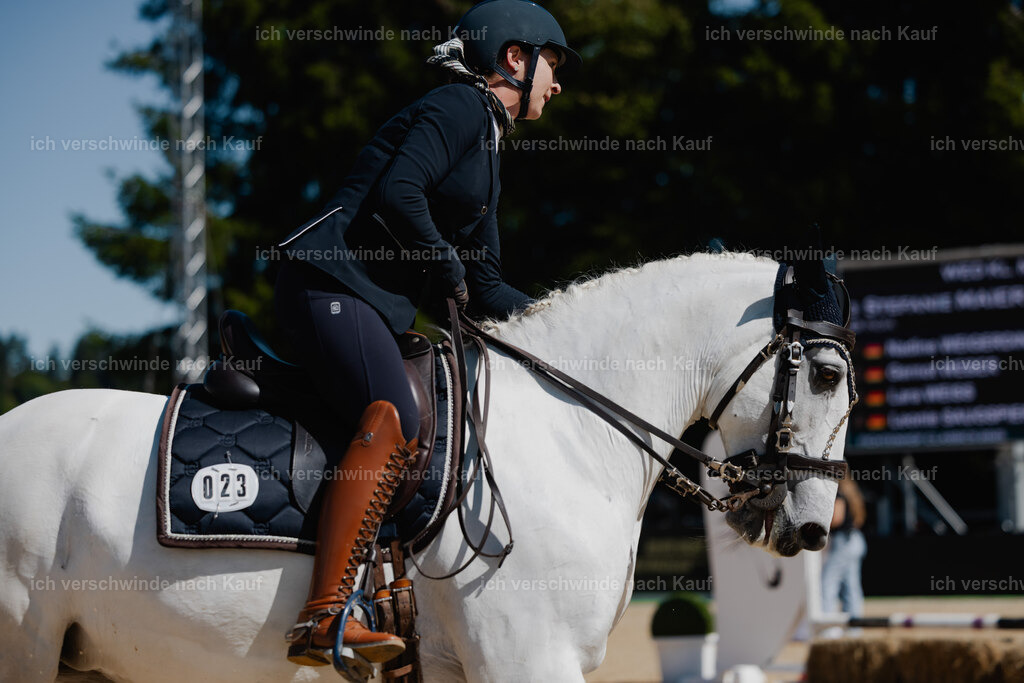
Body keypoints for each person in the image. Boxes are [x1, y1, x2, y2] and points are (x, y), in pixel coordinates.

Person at [274, 0, 581, 670]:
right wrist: (446, 266)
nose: (557, 84)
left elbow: (491, 286)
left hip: (368, 302)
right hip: (328, 284)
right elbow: (399, 194)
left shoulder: (490, 153)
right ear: (513, 58)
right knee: (398, 414)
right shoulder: (460, 108)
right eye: (551, 64)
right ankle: (324, 615)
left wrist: (572, 327)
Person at [821, 478, 867, 620]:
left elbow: (836, 519)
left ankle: (827, 625)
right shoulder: (852, 491)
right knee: (851, 586)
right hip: (855, 539)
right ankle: (855, 628)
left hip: (843, 542)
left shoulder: (838, 493)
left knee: (827, 583)